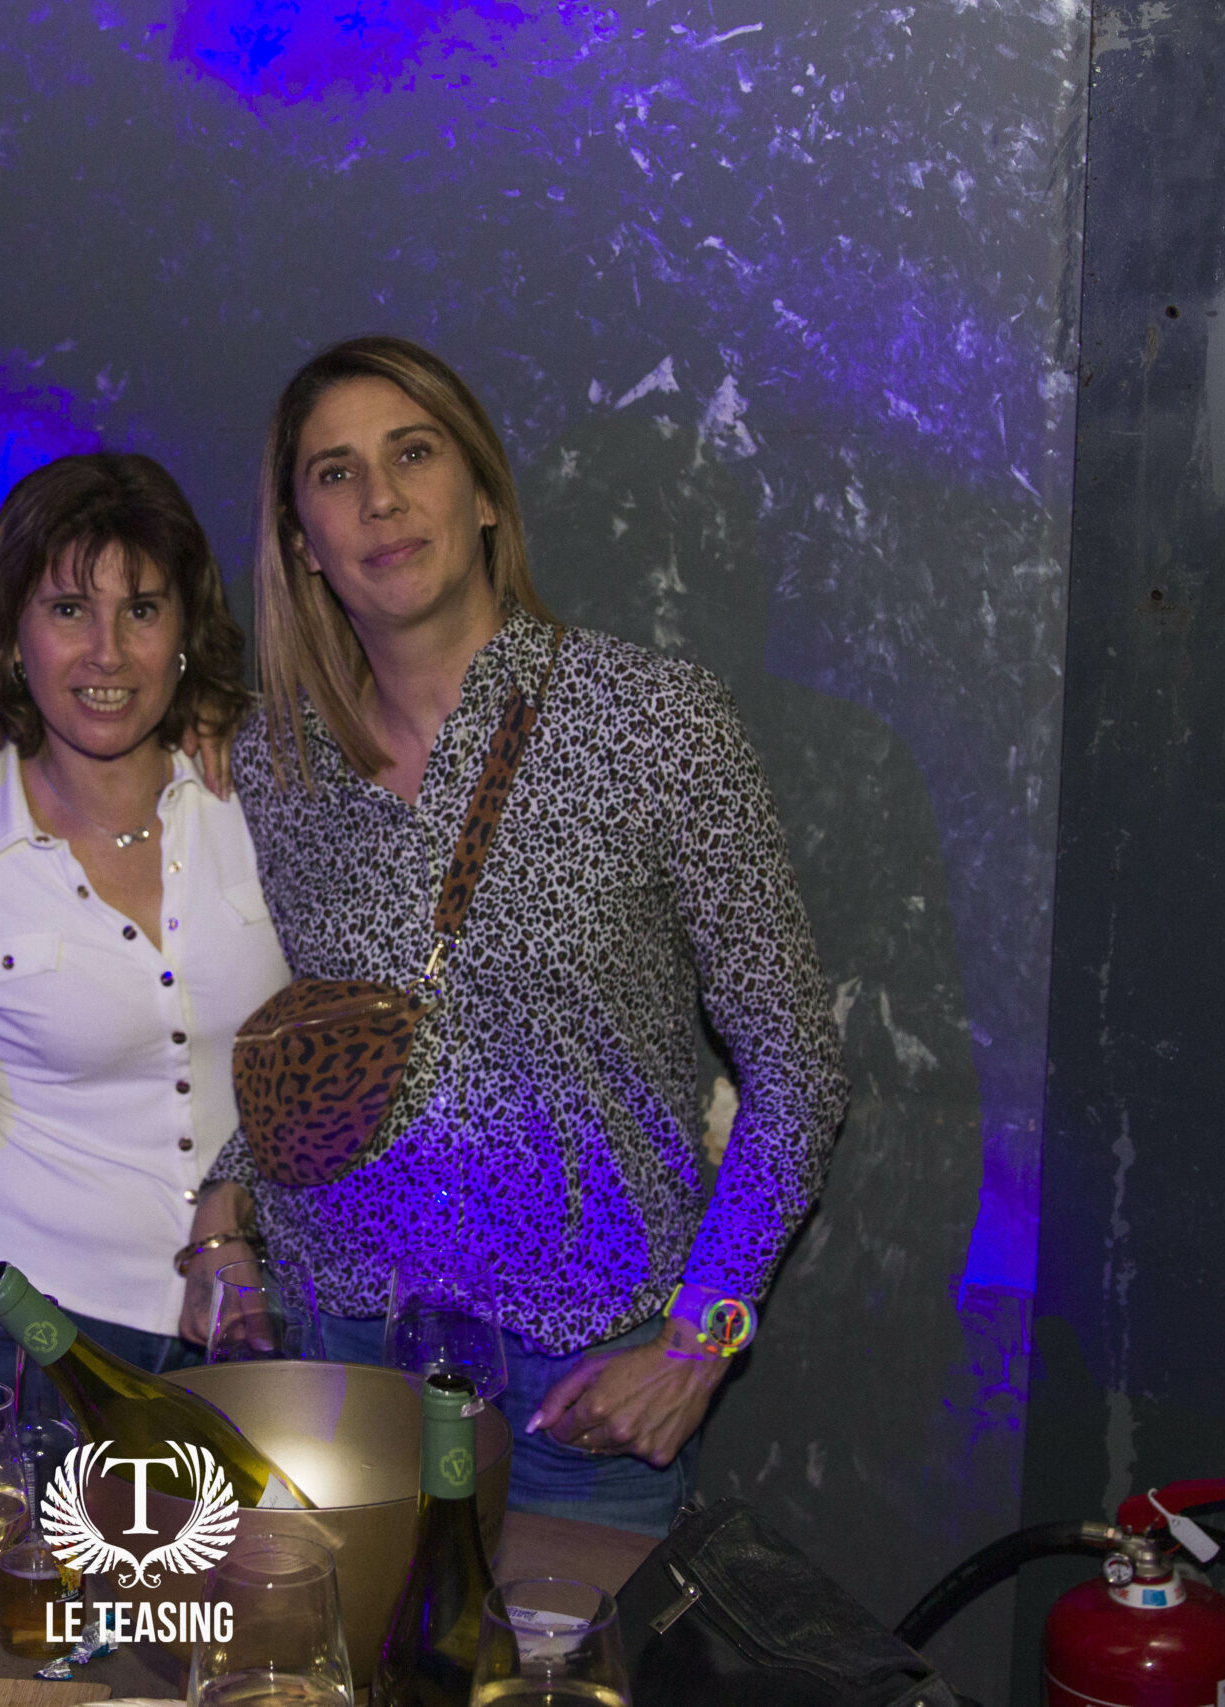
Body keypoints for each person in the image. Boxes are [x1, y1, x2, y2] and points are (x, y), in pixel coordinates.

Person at [186, 336, 849, 1536]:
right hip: (338, 1353)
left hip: (576, 1391)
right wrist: (223, 1215)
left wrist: (703, 1340)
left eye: (413, 454)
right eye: (335, 474)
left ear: (484, 494)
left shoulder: (655, 724)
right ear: (302, 542)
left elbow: (797, 1070)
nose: (379, 498)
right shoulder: (277, 766)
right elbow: (354, 1056)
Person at [0, 452, 289, 1390]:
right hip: (16, 1330)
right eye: (69, 609)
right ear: (11, 634)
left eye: (141, 610)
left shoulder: (264, 792)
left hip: (254, 1315)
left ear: (184, 632)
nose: (107, 652)